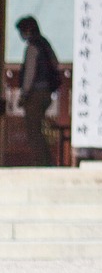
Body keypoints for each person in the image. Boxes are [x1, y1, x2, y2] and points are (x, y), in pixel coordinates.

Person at [16, 16, 61, 166]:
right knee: (38, 130)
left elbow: (29, 73)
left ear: (27, 30)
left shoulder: (32, 47)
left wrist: (24, 94)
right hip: (47, 92)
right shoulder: (45, 44)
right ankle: (46, 162)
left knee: (33, 131)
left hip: (35, 94)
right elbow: (55, 64)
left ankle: (43, 163)